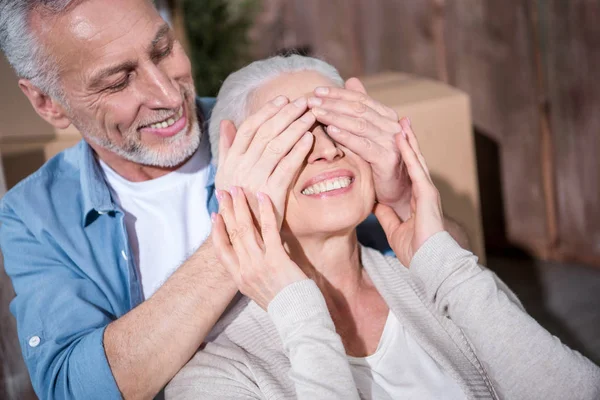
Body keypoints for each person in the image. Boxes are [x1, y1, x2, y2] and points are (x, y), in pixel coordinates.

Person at [0, 1, 454, 398]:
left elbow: (431, 257)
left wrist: (409, 205)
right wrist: (246, 222)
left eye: (164, 50)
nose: (167, 94)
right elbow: (74, 389)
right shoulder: (33, 216)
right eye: (118, 82)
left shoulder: (260, 117)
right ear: (48, 103)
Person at [165, 56, 600, 400]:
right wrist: (299, 311)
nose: (327, 150)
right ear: (237, 174)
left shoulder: (439, 281)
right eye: (293, 137)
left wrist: (446, 265)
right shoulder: (216, 373)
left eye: (338, 125)